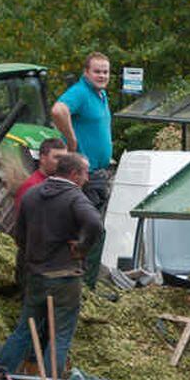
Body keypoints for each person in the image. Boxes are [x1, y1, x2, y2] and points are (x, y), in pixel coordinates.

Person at [0, 152, 102, 376]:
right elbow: (95, 224)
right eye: (85, 173)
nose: (87, 179)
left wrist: (32, 255)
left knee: (25, 330)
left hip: (36, 276)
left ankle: (0, 377)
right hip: (65, 278)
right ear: (74, 174)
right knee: (60, 336)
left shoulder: (32, 195)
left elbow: (19, 236)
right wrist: (82, 248)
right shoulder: (75, 197)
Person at [51, 52, 113, 287]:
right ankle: (85, 286)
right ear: (86, 72)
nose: (102, 75)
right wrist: (72, 142)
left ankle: (86, 282)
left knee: (94, 230)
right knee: (92, 231)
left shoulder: (100, 94)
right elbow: (58, 111)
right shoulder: (81, 92)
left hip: (99, 172)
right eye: (97, 71)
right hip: (85, 176)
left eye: (105, 71)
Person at [14, 137, 67, 207]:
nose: (62, 162)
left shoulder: (63, 182)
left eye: (65, 158)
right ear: (43, 158)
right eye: (57, 157)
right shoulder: (31, 186)